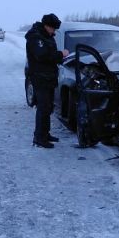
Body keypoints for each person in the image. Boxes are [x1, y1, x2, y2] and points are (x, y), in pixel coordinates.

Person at [25, 13, 70, 148]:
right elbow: (42, 55)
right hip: (40, 78)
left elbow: (50, 56)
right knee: (43, 108)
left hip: (49, 77)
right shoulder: (35, 37)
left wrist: (61, 58)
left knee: (48, 107)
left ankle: (45, 133)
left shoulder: (47, 36)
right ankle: (39, 138)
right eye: (53, 28)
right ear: (46, 26)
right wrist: (61, 54)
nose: (54, 31)